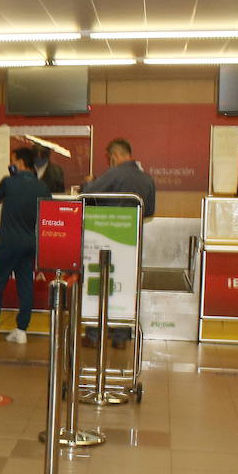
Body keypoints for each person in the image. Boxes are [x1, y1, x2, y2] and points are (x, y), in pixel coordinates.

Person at [0, 146, 51, 345]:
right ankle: (21, 330)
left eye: (13, 160)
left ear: (21, 162)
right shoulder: (42, 187)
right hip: (30, 243)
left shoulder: (8, 182)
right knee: (25, 286)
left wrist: (7, 186)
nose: (11, 164)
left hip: (8, 243)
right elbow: (48, 212)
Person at [81, 137, 156, 349]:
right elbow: (149, 211)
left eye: (109, 158)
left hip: (106, 240)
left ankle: (95, 335)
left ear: (115, 156)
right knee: (126, 287)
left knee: (100, 285)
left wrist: (88, 182)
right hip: (131, 242)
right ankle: (121, 338)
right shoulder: (146, 179)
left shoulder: (114, 174)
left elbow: (86, 195)